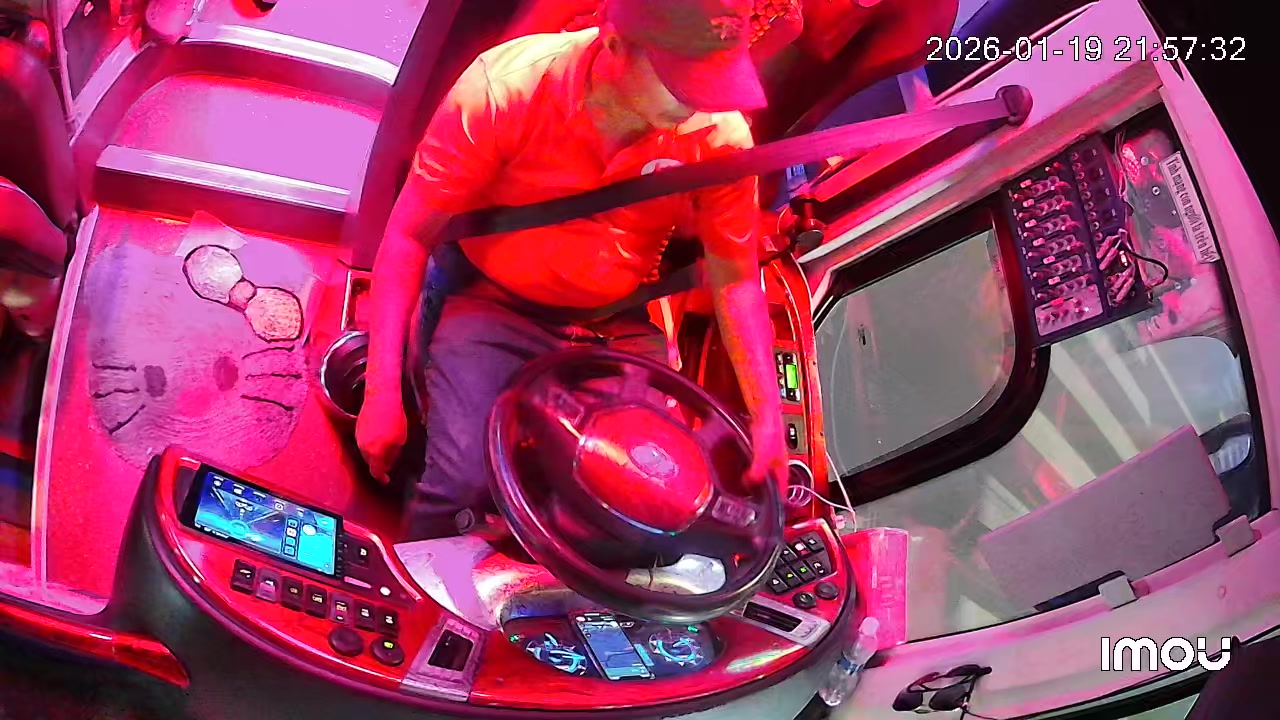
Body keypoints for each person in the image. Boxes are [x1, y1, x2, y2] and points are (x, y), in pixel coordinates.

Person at [356, 0, 791, 541]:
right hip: (494, 301)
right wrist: (381, 396)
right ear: (616, 44)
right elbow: (408, 236)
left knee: (648, 501)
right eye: (683, 81)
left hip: (614, 322)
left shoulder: (719, 138)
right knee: (460, 486)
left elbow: (736, 278)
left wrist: (767, 417)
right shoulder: (503, 91)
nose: (702, 100)